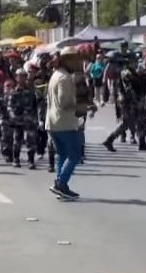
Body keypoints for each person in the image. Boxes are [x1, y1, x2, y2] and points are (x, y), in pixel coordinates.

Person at [46, 47, 84, 200]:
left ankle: (61, 186)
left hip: (53, 122)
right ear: (68, 60)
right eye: (75, 59)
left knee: (62, 155)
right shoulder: (65, 78)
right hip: (64, 123)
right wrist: (80, 103)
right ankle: (60, 183)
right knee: (74, 155)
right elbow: (63, 102)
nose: (78, 62)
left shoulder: (56, 75)